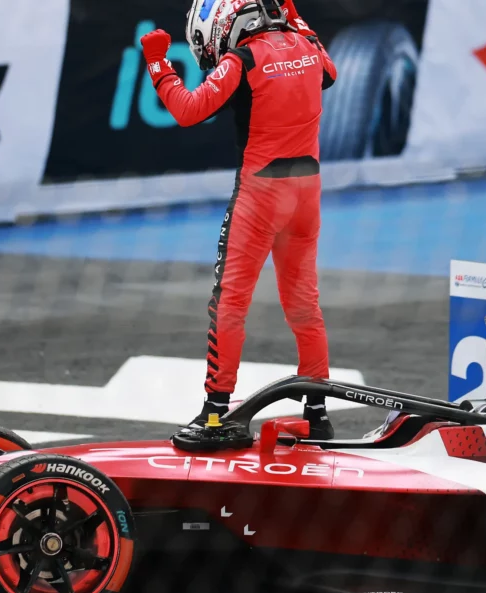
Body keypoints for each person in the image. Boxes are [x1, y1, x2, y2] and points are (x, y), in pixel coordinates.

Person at [140, 0, 338, 444]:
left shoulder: (242, 60)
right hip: (307, 193)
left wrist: (157, 64)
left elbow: (188, 110)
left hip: (261, 195)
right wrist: (296, 16)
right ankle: (317, 413)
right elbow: (330, 72)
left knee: (229, 305)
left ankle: (215, 415)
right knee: (304, 306)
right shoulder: (308, 46)